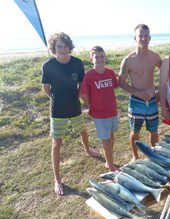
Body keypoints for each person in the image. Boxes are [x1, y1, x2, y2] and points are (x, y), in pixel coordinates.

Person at [41, 32, 99, 196]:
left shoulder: (77, 63)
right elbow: (46, 88)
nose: (63, 49)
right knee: (57, 143)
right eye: (59, 46)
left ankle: (87, 150)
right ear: (54, 48)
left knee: (83, 131)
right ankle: (57, 179)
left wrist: (83, 100)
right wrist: (56, 98)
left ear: (70, 46)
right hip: (57, 110)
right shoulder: (48, 65)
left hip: (74, 106)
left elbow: (82, 84)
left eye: (66, 46)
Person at [118, 24, 162, 162]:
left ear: (150, 38)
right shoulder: (128, 60)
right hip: (136, 101)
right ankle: (135, 157)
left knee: (153, 131)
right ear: (135, 38)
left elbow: (165, 74)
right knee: (135, 132)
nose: (143, 38)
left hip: (152, 100)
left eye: (146, 36)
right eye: (140, 36)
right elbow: (121, 82)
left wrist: (159, 91)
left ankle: (153, 156)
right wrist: (138, 92)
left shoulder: (155, 57)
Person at [80, 46, 119, 172]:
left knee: (111, 136)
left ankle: (109, 161)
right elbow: (83, 94)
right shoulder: (89, 76)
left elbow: (115, 86)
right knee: (105, 139)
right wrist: (91, 106)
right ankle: (112, 168)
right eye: (96, 56)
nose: (100, 59)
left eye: (102, 56)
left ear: (106, 58)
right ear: (91, 59)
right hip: (100, 114)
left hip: (112, 111)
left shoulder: (110, 72)